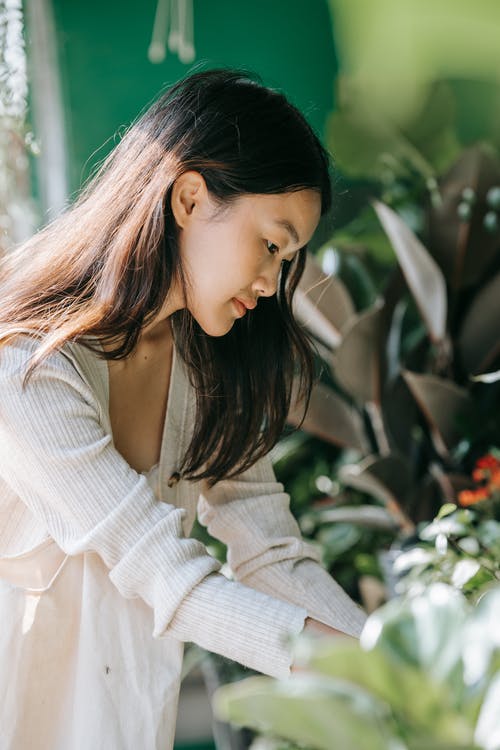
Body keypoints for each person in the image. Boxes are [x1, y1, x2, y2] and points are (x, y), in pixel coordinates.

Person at [0, 69, 366, 750]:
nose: (271, 281)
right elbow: (168, 576)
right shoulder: (26, 366)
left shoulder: (208, 361)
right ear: (191, 198)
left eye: (286, 260)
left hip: (131, 722)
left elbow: (269, 551)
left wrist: (397, 662)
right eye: (270, 244)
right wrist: (362, 673)